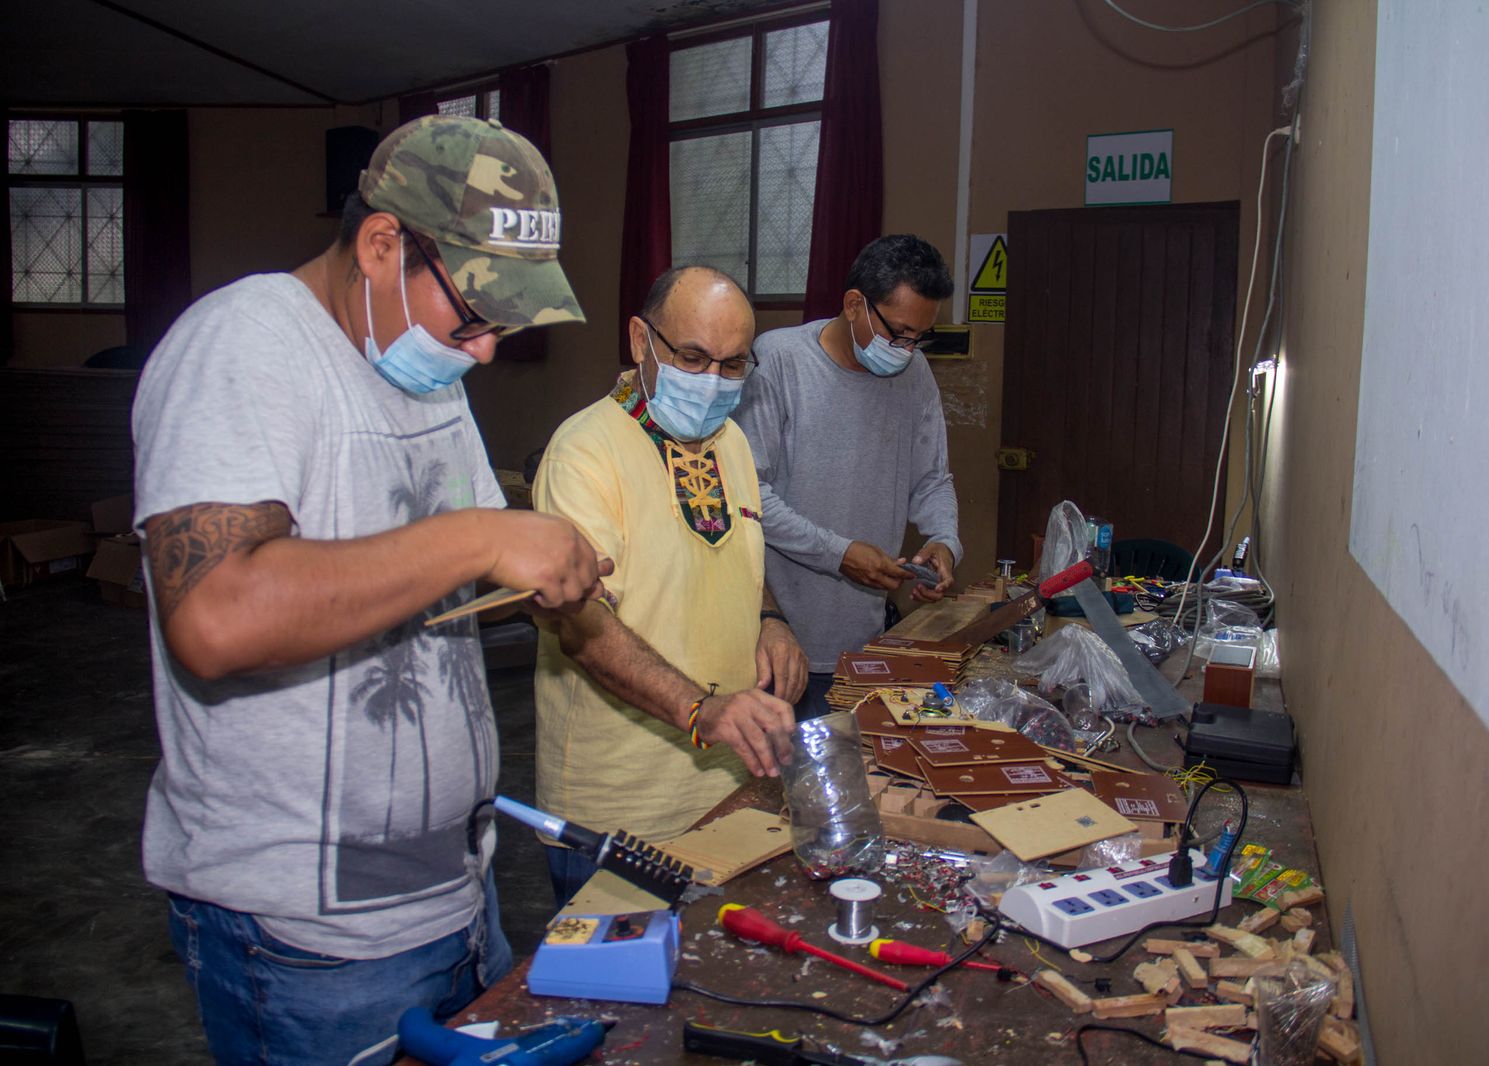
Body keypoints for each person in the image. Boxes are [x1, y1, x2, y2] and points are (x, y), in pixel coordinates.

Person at [131, 115, 608, 1066]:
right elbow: (216, 616)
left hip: (453, 896)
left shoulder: (423, 374)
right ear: (381, 244)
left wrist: (539, 567)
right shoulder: (243, 345)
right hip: (310, 939)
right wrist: (483, 534)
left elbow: (440, 567)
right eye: (472, 316)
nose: (482, 352)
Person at [529, 265, 805, 904]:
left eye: (733, 365)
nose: (711, 381)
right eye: (692, 356)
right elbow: (583, 627)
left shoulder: (730, 441)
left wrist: (771, 619)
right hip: (619, 810)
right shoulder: (583, 453)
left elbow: (736, 556)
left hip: (726, 789)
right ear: (639, 339)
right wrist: (698, 709)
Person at [734, 235, 962, 720]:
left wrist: (943, 541)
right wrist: (838, 554)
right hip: (778, 642)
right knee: (779, 786)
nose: (907, 349)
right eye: (899, 333)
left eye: (920, 337)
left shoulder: (915, 374)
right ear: (855, 304)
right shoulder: (779, 361)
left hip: (867, 640)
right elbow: (748, 496)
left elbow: (932, 479)